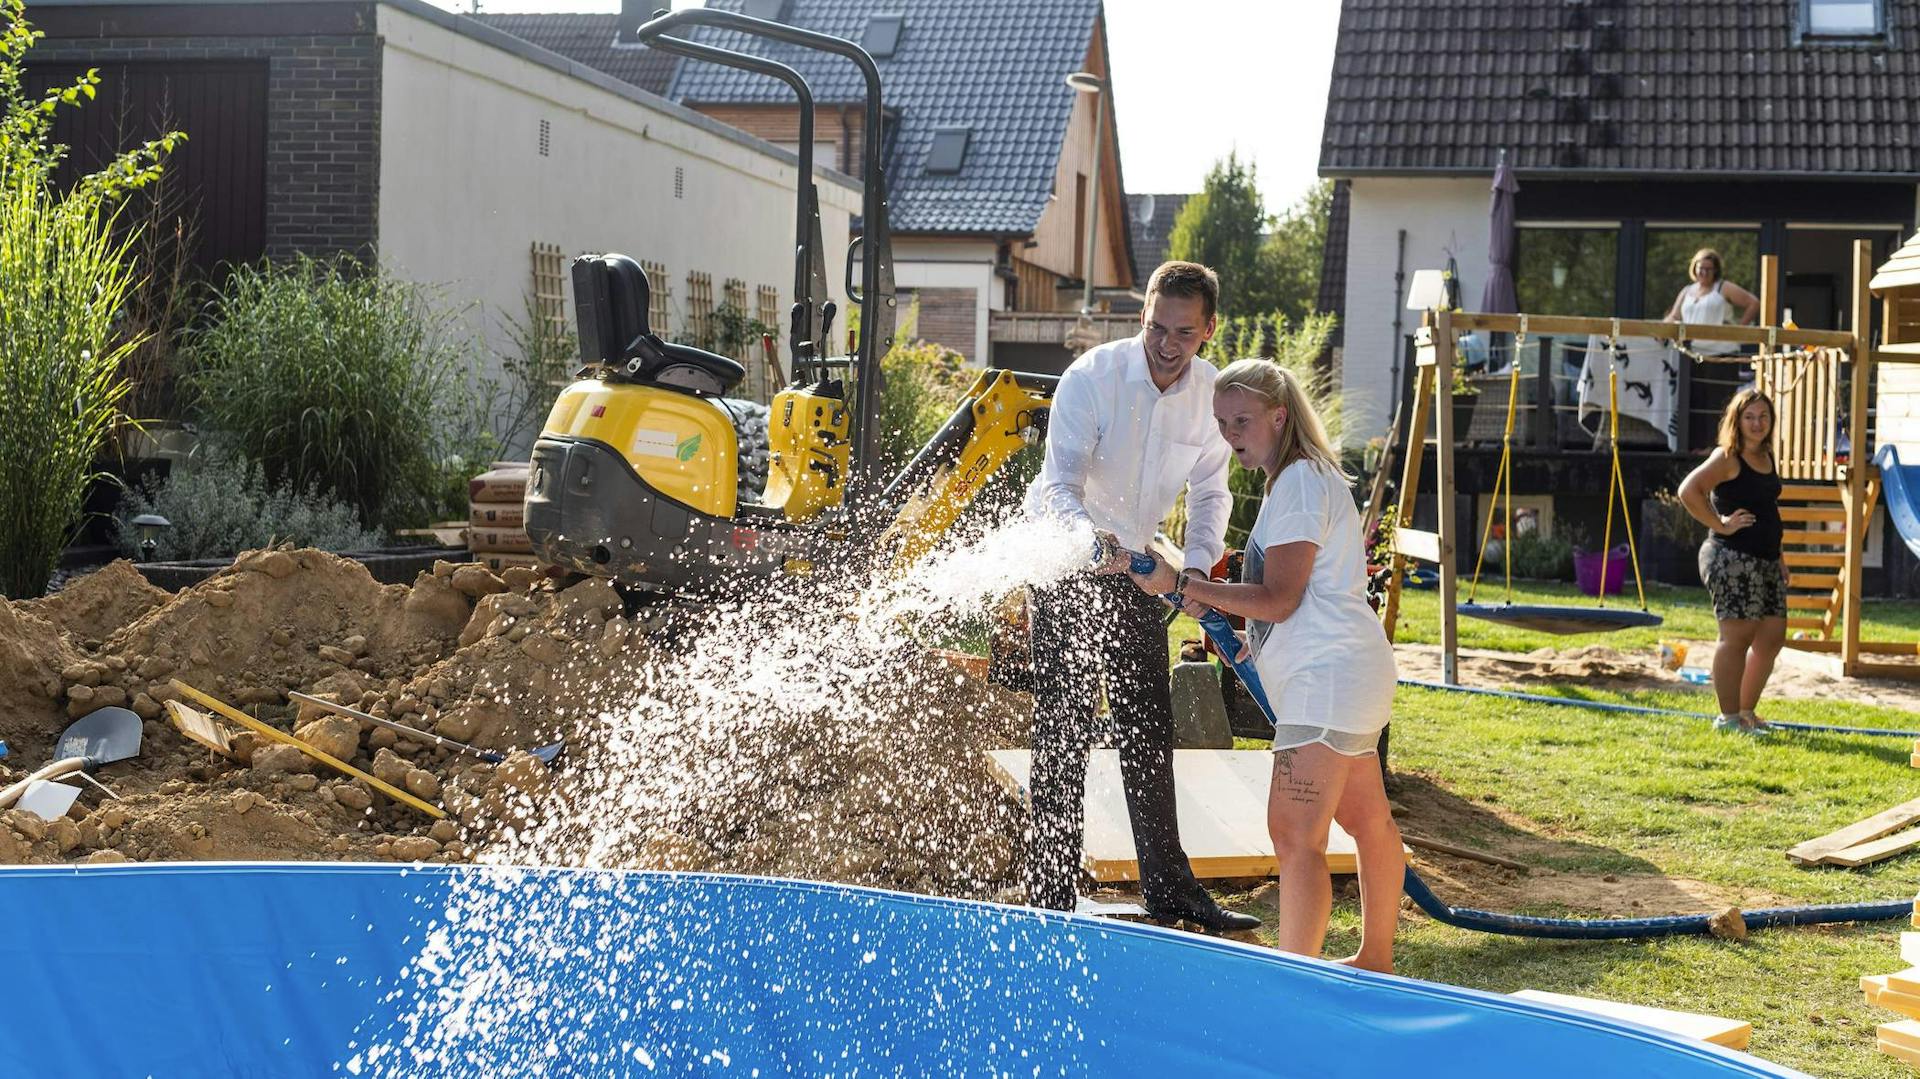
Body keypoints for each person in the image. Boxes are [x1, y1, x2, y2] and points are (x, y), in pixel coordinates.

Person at [1128, 358, 1402, 972]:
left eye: (1242, 421)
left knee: (1294, 834)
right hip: (1342, 674)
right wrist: (1240, 626)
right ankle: (1375, 958)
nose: (1231, 435)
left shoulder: (1301, 483)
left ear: (1279, 416)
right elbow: (1293, 599)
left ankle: (1292, 980)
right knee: (1366, 820)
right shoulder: (1302, 480)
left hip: (1326, 681)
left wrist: (1188, 583)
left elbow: (1283, 596)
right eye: (1222, 423)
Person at [1023, 260, 1257, 932]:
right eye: (1157, 326)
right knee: (1062, 727)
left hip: (1139, 564)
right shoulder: (1092, 378)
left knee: (1148, 729)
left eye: (1183, 332)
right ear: (1144, 315)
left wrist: (1202, 565)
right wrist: (1088, 540)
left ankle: (1171, 891)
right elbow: (1059, 486)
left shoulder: (1212, 397)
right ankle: (1049, 892)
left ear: (1207, 330)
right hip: (1066, 555)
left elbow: (1213, 487)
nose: (1166, 342)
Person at [1678, 389, 1785, 734]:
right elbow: (1688, 491)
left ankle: (1746, 712)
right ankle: (1727, 719)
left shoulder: (1766, 457)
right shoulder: (1727, 457)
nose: (1757, 423)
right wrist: (1720, 524)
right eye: (1750, 417)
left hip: (1766, 561)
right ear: (1737, 421)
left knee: (1771, 638)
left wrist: (1779, 557)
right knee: (1736, 638)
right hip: (1731, 558)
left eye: (1763, 416)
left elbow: (1768, 509)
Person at [1662, 248, 1759, 357]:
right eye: (1701, 268)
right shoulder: (1687, 291)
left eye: (1709, 269)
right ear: (1695, 268)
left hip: (1721, 352)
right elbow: (1674, 316)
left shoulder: (1723, 287)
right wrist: (1661, 330)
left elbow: (1753, 303)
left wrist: (1738, 331)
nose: (1704, 272)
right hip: (1692, 353)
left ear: (1715, 270)